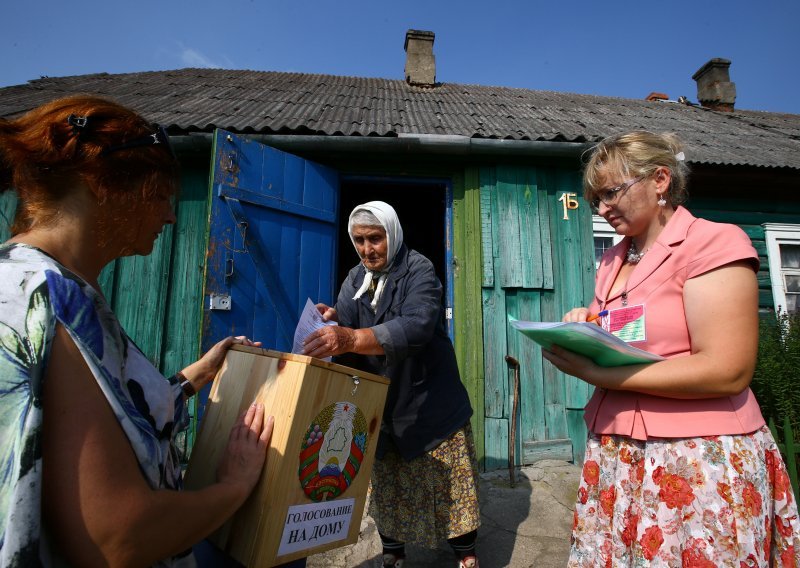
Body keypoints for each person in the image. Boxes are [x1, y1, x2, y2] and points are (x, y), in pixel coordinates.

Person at [0, 95, 275, 567]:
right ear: (105, 185)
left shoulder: (39, 283)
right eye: (162, 195)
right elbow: (119, 538)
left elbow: (106, 415)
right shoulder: (49, 300)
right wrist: (236, 485)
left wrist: (196, 376)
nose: (170, 216)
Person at [542, 131, 800, 566]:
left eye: (610, 194)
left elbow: (726, 370)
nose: (602, 209)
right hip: (616, 452)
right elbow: (625, 328)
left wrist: (600, 376)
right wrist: (583, 323)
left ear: (660, 180)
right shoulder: (614, 258)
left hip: (695, 458)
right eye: (594, 201)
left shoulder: (712, 243)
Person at [303, 201, 481, 568]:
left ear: (392, 233)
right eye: (359, 240)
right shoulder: (355, 278)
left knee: (449, 486)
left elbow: (416, 325)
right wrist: (333, 323)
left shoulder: (419, 269)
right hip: (381, 401)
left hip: (428, 396)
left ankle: (465, 554)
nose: (367, 249)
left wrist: (350, 337)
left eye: (375, 238)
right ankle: (394, 552)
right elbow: (348, 321)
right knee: (388, 487)